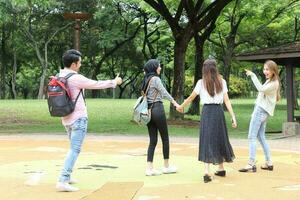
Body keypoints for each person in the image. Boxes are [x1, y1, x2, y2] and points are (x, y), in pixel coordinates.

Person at [56, 49, 122, 192]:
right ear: (73, 64)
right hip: (78, 118)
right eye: (79, 63)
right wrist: (114, 82)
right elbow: (96, 84)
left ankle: (67, 177)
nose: (80, 65)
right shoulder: (75, 78)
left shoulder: (60, 75)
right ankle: (63, 179)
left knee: (72, 148)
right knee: (74, 150)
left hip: (66, 118)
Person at [176, 58, 237, 183]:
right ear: (215, 68)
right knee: (220, 137)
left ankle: (207, 171)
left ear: (204, 69)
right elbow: (226, 100)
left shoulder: (201, 82)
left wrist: (181, 106)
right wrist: (233, 116)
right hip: (219, 112)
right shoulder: (222, 81)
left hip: (207, 112)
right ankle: (221, 168)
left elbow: (192, 97)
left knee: (207, 139)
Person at [239, 60, 280, 173]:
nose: (265, 71)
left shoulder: (273, 83)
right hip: (264, 112)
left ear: (273, 71)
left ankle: (251, 163)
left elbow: (260, 89)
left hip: (260, 111)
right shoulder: (271, 81)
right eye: (264, 69)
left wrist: (253, 75)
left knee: (251, 137)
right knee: (261, 137)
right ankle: (269, 162)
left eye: (268, 69)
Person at [141, 59, 180, 176]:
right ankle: (166, 166)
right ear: (154, 67)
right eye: (158, 66)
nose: (160, 68)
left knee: (153, 140)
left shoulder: (146, 79)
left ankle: (149, 168)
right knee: (165, 139)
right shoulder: (156, 79)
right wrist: (175, 103)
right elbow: (164, 93)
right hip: (158, 109)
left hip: (148, 112)